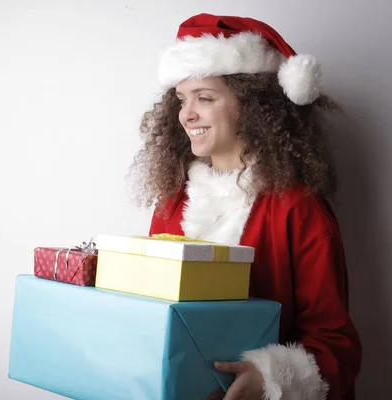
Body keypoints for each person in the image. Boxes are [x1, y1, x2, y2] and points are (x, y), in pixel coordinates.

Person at [128, 13, 362, 400]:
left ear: (252, 106)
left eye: (205, 97)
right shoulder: (173, 202)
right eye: (182, 99)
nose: (187, 114)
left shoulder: (297, 208)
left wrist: (269, 379)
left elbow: (336, 345)